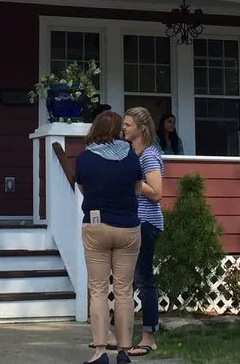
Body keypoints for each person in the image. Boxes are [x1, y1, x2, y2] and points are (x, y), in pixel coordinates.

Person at [75, 110, 142, 364]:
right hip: (128, 228)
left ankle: (100, 351)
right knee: (124, 290)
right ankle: (124, 350)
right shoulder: (130, 156)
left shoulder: (85, 158)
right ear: (118, 131)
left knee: (99, 290)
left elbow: (83, 188)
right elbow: (137, 190)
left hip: (96, 226)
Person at [122, 107, 165, 356]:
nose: (123, 128)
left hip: (147, 223)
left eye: (128, 124)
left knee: (144, 278)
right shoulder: (131, 154)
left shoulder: (148, 155)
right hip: (132, 222)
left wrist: (134, 181)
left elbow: (157, 193)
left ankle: (149, 337)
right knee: (127, 278)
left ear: (141, 128)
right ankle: (118, 332)